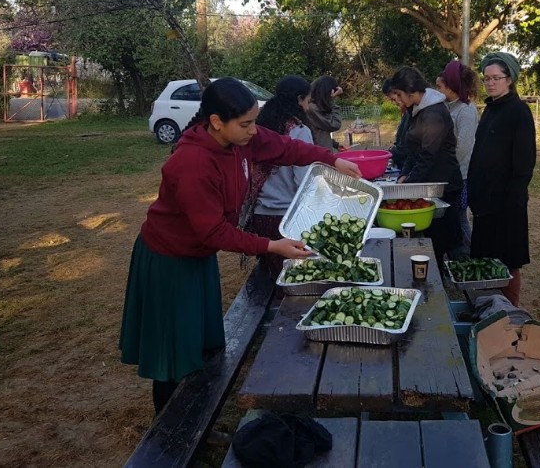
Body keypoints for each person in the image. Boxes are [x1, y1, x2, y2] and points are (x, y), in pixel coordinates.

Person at [119, 78, 361, 415]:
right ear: (217, 122)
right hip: (168, 262)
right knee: (173, 353)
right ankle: (169, 431)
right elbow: (214, 232)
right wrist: (271, 245)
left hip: (197, 257)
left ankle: (197, 410)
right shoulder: (191, 163)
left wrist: (330, 159)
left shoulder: (241, 140)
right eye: (245, 124)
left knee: (202, 343)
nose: (253, 130)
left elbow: (285, 147)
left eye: (253, 121)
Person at [468, 52, 536, 307]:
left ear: (510, 79)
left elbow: (524, 162)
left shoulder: (519, 111)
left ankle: (511, 314)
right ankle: (488, 309)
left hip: (507, 203)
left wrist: (513, 199)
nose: (491, 82)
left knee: (508, 262)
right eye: (486, 78)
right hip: (484, 201)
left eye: (497, 78)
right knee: (485, 260)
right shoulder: (490, 110)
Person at [388, 66, 463, 270]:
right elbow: (413, 150)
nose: (398, 99)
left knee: (442, 238)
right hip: (428, 181)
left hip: (444, 184)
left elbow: (427, 156)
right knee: (431, 236)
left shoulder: (434, 114)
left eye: (399, 94)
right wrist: (404, 174)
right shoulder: (417, 109)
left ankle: (449, 276)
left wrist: (408, 187)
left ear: (412, 92)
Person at [246, 75, 315, 280]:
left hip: (260, 216)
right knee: (294, 279)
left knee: (274, 277)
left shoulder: (261, 126)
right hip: (288, 219)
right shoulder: (299, 131)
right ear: (299, 99)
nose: (309, 107)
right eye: (308, 101)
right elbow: (303, 183)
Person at [435, 60, 480, 259]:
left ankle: (467, 256)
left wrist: (445, 166)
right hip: (447, 173)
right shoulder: (449, 107)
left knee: (460, 217)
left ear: (452, 86)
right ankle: (456, 254)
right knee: (452, 216)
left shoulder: (467, 111)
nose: (437, 90)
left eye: (440, 87)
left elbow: (463, 147)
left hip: (459, 175)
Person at [305, 75, 344, 150]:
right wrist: (332, 101)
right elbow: (334, 125)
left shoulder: (314, 106)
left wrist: (335, 144)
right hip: (318, 155)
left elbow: (319, 131)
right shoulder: (311, 108)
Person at [382, 79, 410, 170]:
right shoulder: (405, 112)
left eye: (394, 99)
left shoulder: (412, 113)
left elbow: (407, 147)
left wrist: (390, 153)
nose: (395, 102)